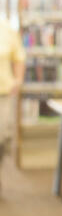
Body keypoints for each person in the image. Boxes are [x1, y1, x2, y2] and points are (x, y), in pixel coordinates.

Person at [0, 19, 26, 179]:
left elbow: (19, 57)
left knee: (2, 135)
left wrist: (18, 79)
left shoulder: (7, 29)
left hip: (2, 92)